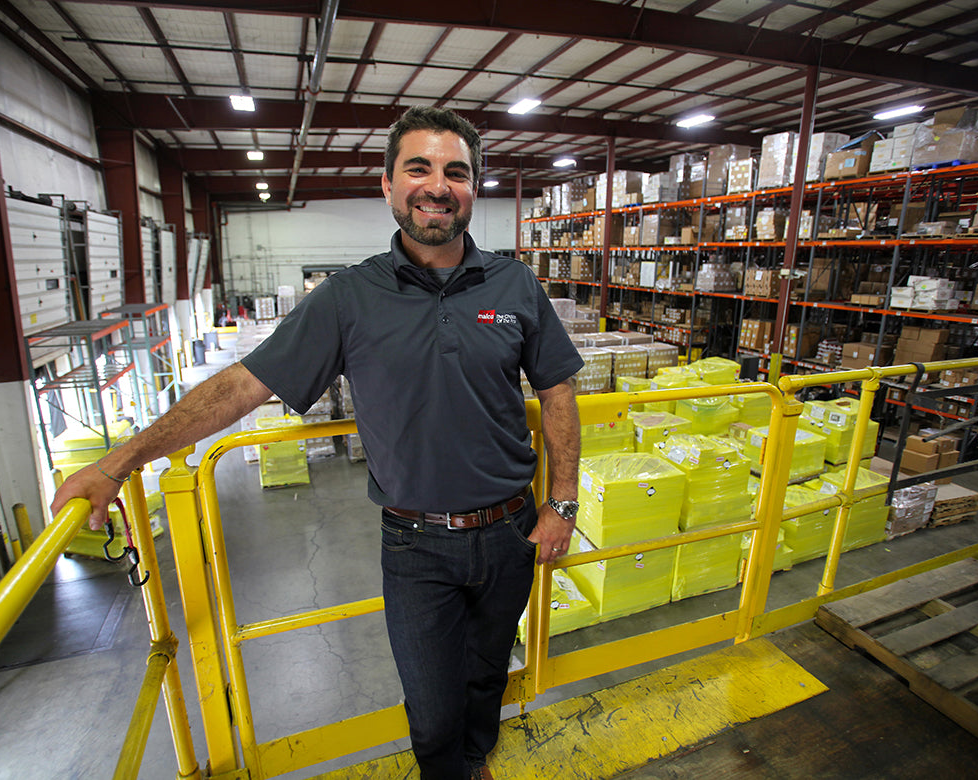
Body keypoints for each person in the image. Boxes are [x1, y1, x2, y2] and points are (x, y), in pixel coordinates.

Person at [51, 106, 583, 780]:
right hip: (416, 546)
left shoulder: (516, 285)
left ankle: (476, 758)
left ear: (474, 188)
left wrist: (559, 505)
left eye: (457, 172)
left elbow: (558, 395)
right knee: (432, 706)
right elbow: (242, 387)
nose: (437, 185)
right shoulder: (348, 298)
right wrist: (117, 461)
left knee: (486, 674)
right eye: (418, 168)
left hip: (511, 529)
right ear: (386, 184)